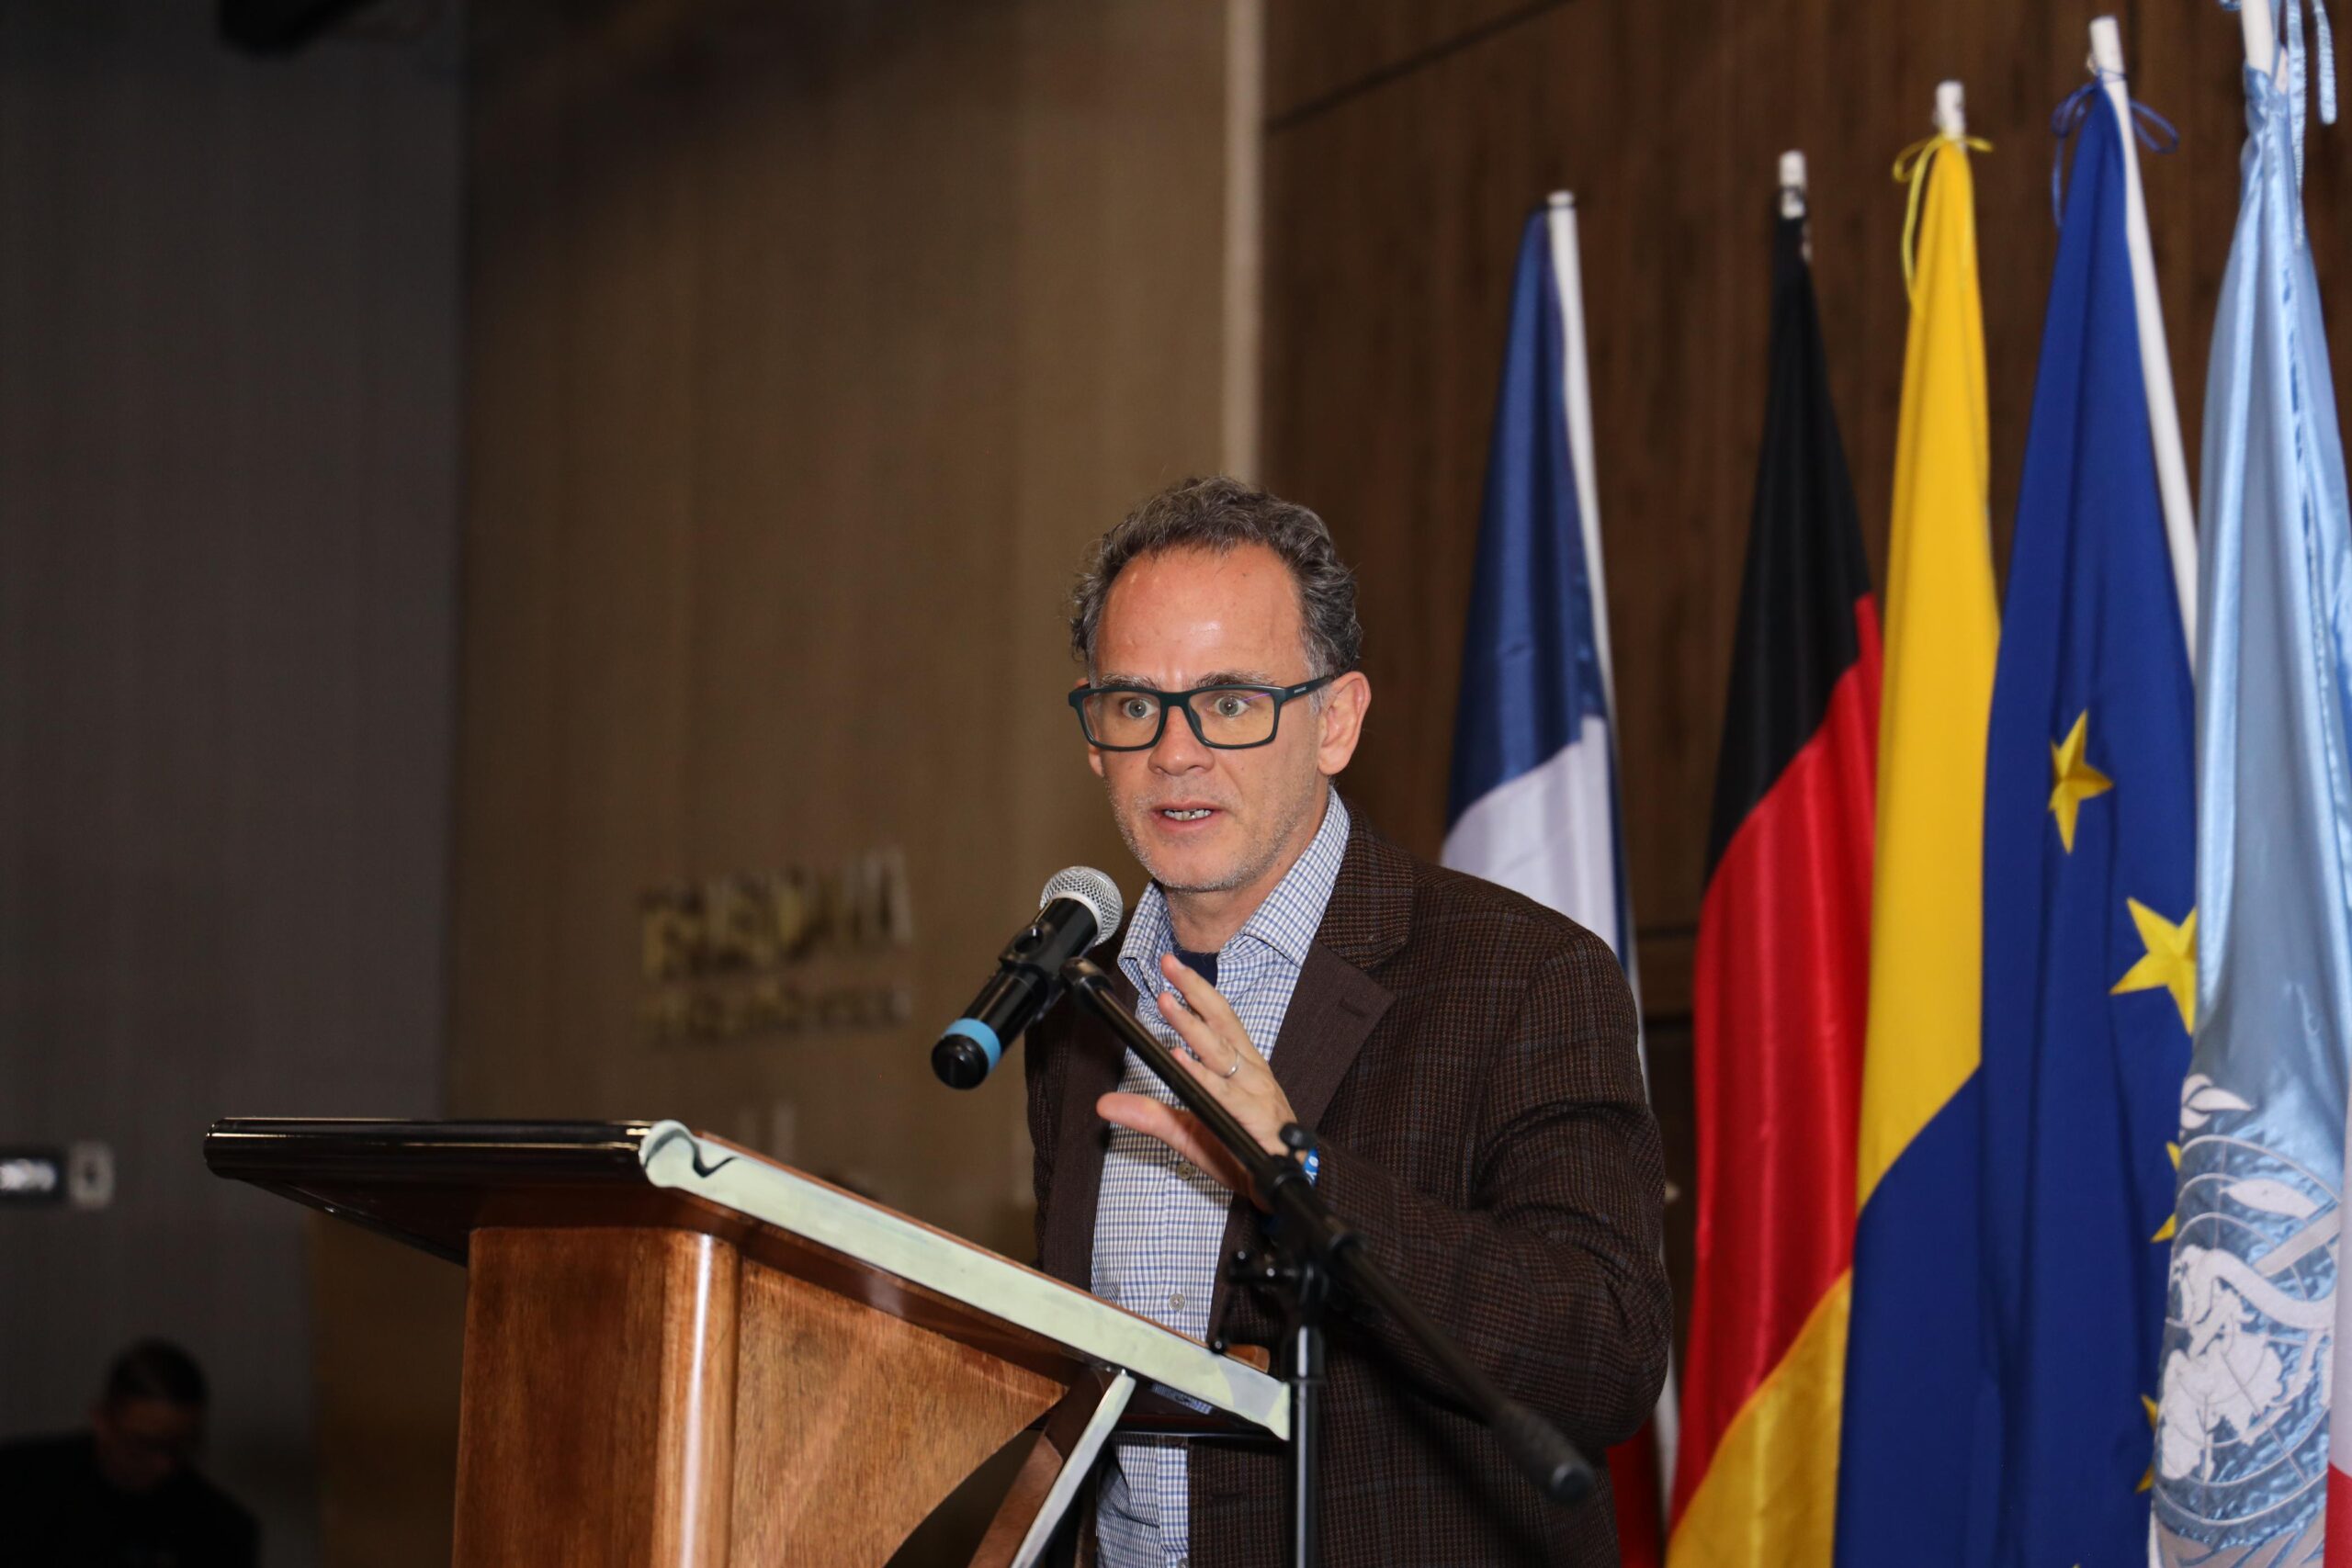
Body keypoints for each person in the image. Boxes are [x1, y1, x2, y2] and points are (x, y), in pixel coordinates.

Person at [1025, 476, 1670, 1566]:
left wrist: (1298, 1175)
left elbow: (1601, 1355)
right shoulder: (1081, 1001)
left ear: (1335, 721)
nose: (1173, 753)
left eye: (1229, 702)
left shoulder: (1523, 975)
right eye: (1135, 704)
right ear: (1094, 737)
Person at [0, 1339, 260, 1567]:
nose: (165, 1464)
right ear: (102, 1420)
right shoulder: (18, 1487)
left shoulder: (220, 1529)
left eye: (183, 1446)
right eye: (146, 1444)